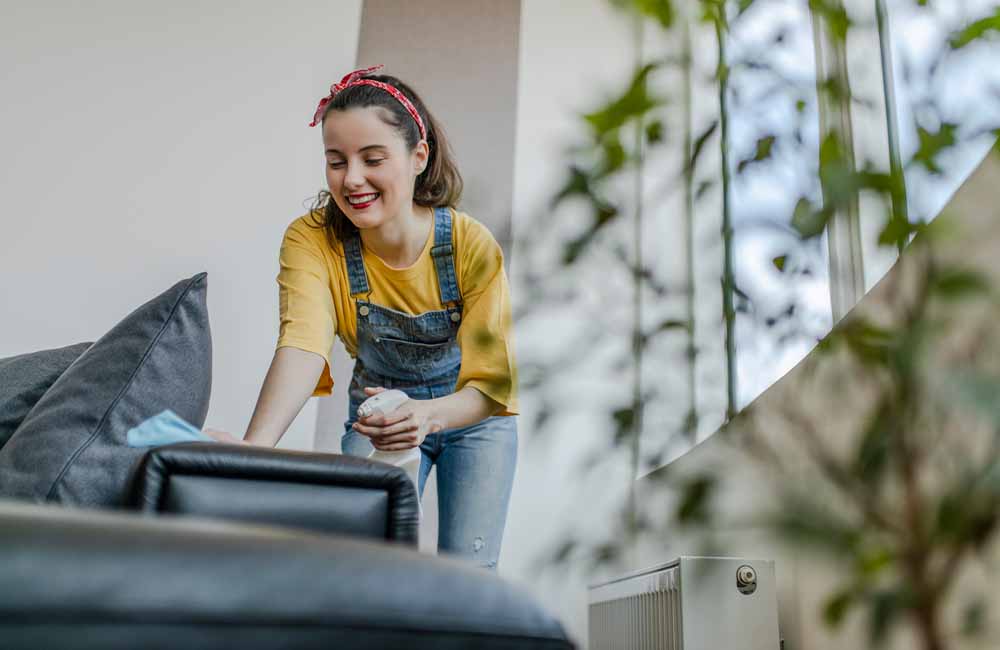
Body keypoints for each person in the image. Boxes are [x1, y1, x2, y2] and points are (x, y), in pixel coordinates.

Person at [207, 65, 519, 572]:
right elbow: (302, 346)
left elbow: (491, 387)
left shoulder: (469, 244)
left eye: (372, 159)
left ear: (419, 157)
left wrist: (427, 414)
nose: (351, 179)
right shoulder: (312, 240)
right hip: (377, 418)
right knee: (364, 562)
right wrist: (252, 451)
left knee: (471, 573)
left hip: (471, 418)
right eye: (336, 161)